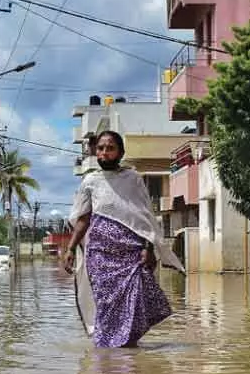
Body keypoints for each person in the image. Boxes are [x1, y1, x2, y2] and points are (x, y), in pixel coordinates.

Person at [64, 130, 184, 348]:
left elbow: (144, 215)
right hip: (99, 255)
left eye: (110, 148)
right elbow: (83, 219)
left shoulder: (133, 179)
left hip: (132, 253)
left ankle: (126, 347)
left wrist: (148, 246)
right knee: (106, 302)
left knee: (134, 299)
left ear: (121, 152)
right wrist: (70, 249)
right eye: (100, 148)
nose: (104, 153)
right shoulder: (90, 181)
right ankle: (106, 351)